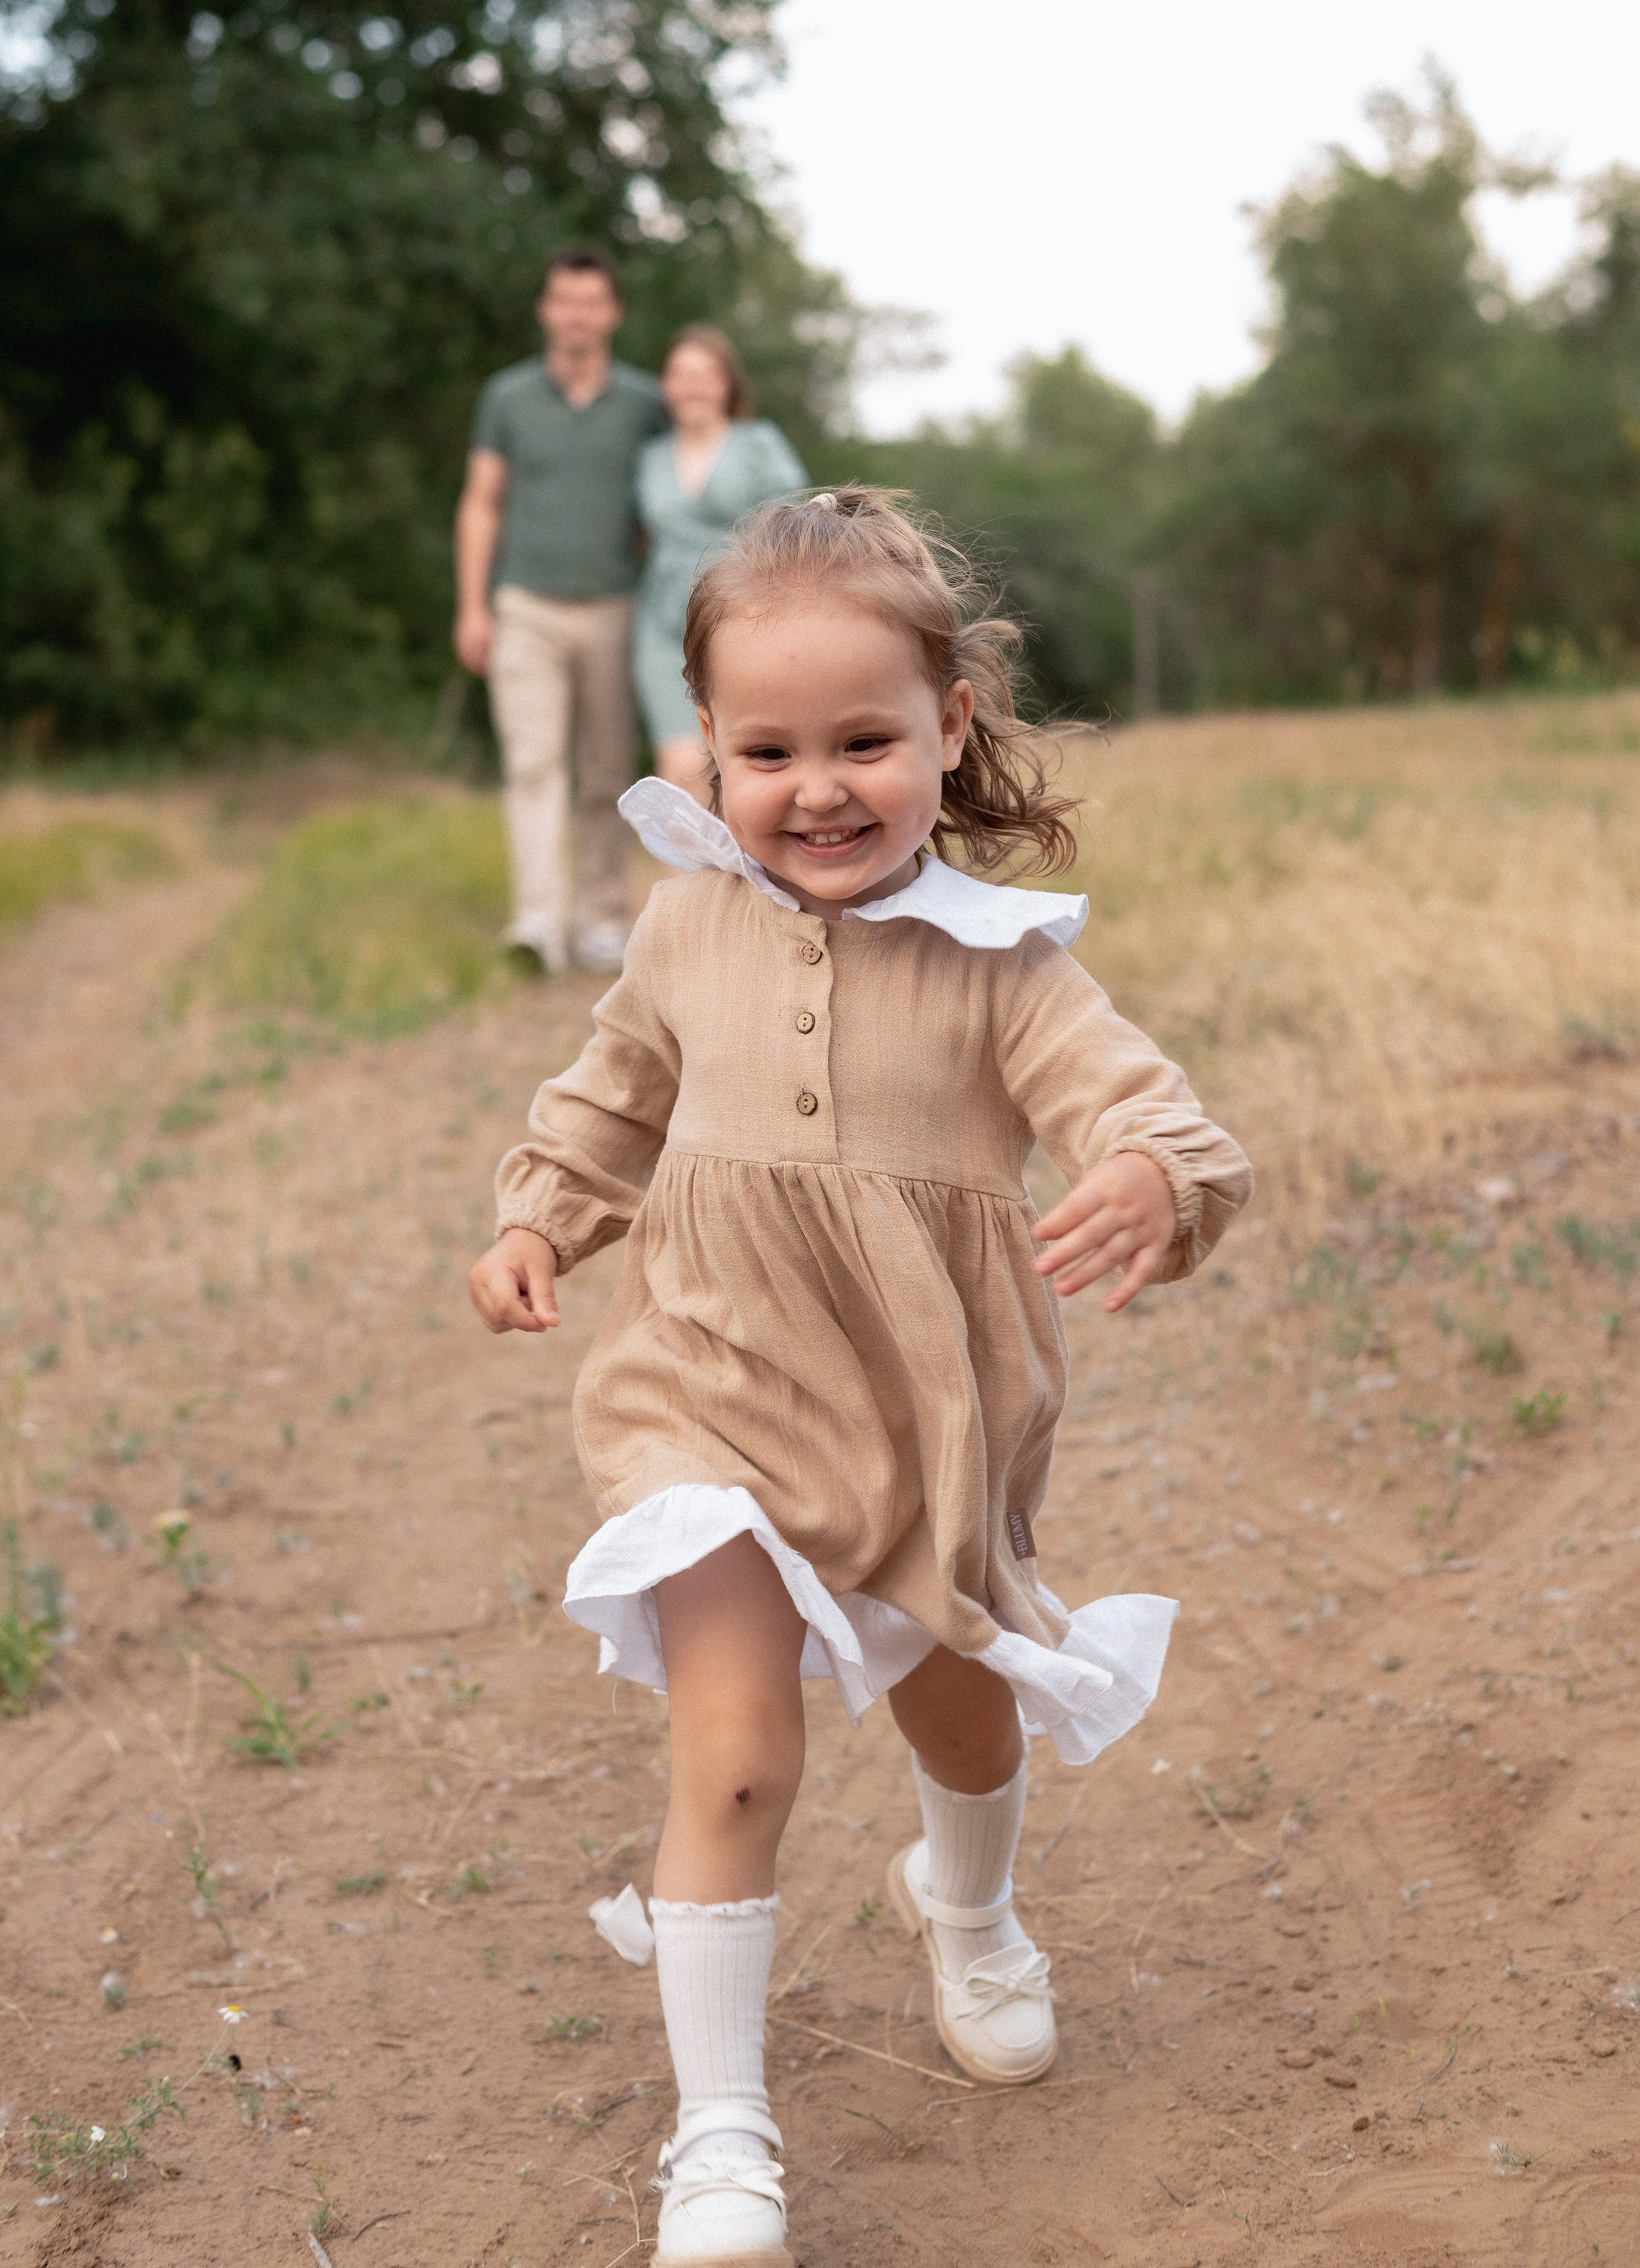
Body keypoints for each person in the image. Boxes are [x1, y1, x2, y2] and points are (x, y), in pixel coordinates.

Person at [467, 488, 1252, 2268]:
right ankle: (720, 2129)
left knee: (954, 1707)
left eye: (862, 739)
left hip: (919, 1432)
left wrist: (1148, 1177)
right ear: (708, 749)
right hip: (706, 1393)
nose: (813, 784)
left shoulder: (1003, 966)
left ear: (946, 726)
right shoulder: (682, 922)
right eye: (766, 746)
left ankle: (963, 1909)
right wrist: (539, 1217)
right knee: (732, 1743)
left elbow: (1147, 1106)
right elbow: (610, 1091)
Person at [454, 246, 669, 974]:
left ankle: (603, 919)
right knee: (533, 766)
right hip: (525, 606)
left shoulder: (644, 403)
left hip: (614, 607)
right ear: (546, 310)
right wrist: (472, 606)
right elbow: (482, 502)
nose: (576, 315)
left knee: (606, 770)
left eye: (590, 302)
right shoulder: (507, 397)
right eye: (563, 301)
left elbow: (665, 503)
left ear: (611, 313)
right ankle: (538, 922)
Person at [634, 327, 806, 799]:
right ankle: (686, 876)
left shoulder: (758, 443)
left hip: (741, 618)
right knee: (677, 766)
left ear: (727, 384)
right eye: (680, 374)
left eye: (705, 374)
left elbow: (793, 528)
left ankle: (746, 874)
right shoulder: (650, 457)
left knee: (742, 764)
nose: (692, 386)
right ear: (665, 386)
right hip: (664, 625)